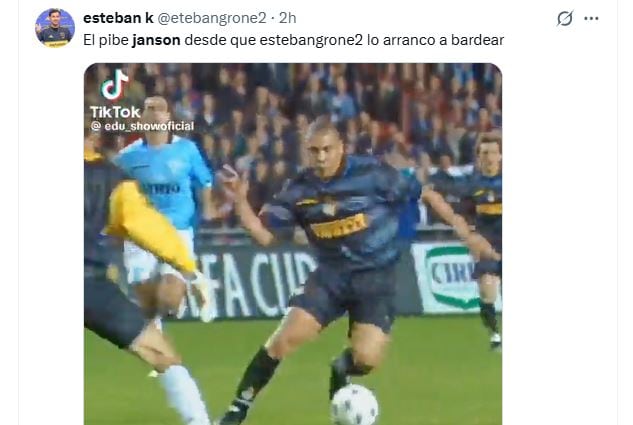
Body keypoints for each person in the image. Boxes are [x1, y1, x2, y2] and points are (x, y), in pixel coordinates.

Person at [215, 117, 500, 425]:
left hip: (376, 280)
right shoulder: (298, 190)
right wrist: (240, 201)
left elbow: (425, 193)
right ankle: (236, 411)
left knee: (366, 359)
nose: (321, 157)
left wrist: (466, 233)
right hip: (330, 277)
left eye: (327, 149)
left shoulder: (372, 174)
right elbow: (265, 237)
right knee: (283, 340)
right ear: (306, 151)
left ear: (341, 148)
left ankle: (341, 368)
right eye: (314, 151)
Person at [84, 149, 212, 425]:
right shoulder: (109, 178)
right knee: (161, 353)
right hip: (88, 284)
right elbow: (148, 227)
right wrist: (188, 269)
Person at [114, 96, 217, 328]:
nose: (154, 114)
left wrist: (208, 206)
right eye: (149, 109)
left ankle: (184, 292)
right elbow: (114, 187)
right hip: (141, 232)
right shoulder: (127, 157)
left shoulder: (186, 149)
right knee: (147, 304)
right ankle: (157, 339)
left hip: (176, 229)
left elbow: (205, 180)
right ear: (142, 119)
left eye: (160, 109)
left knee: (168, 298)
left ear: (169, 117)